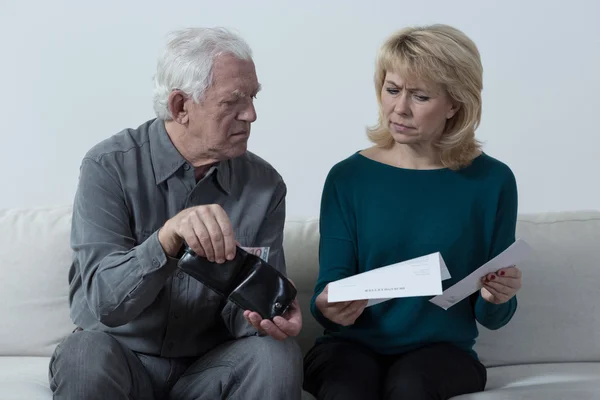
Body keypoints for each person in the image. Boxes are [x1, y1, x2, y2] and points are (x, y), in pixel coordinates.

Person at [48, 27, 303, 400]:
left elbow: (247, 312)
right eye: (233, 101)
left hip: (209, 368)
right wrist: (167, 240)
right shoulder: (109, 166)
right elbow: (105, 303)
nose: (251, 114)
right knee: (83, 353)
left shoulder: (265, 186)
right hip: (120, 359)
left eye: (252, 97)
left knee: (275, 355)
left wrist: (268, 316)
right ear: (180, 107)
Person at [303, 24, 523, 400]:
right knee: (346, 390)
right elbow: (328, 291)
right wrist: (327, 306)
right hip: (349, 348)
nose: (399, 108)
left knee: (410, 388)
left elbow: (493, 315)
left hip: (442, 353)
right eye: (392, 90)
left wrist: (497, 297)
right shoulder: (348, 178)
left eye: (420, 96)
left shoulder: (493, 181)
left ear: (455, 103)